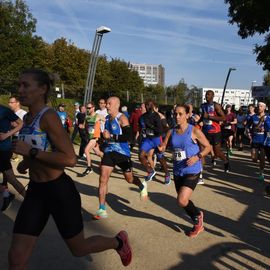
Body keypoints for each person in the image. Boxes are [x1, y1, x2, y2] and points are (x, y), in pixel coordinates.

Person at [9, 69, 132, 269]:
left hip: (59, 191)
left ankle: (118, 242)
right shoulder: (27, 120)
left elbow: (70, 158)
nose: (19, 90)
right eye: (19, 84)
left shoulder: (48, 116)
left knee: (79, 248)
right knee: (16, 257)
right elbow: (40, 151)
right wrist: (26, 162)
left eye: (25, 85)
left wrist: (31, 153)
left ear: (42, 89)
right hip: (36, 192)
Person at [160, 104, 211, 237]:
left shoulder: (194, 131)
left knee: (182, 200)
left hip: (192, 169)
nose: (177, 116)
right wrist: (162, 147)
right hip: (178, 170)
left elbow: (208, 147)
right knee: (182, 201)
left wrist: (197, 157)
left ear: (187, 115)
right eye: (175, 114)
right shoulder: (171, 131)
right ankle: (197, 215)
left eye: (180, 114)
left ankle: (197, 219)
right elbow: (164, 145)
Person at [94, 96, 148, 219]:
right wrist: (100, 143)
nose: (106, 106)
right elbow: (106, 137)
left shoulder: (122, 118)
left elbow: (128, 137)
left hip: (122, 154)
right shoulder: (107, 118)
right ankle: (102, 209)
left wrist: (111, 136)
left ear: (116, 105)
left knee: (129, 179)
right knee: (103, 179)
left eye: (109, 103)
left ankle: (141, 185)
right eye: (106, 103)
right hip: (109, 151)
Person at [0, 104, 25, 211]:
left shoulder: (4, 110)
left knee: (10, 178)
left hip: (2, 150)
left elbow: (21, 123)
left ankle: (31, 200)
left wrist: (7, 135)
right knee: (9, 177)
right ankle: (6, 194)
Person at [199, 90, 230, 172]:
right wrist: (197, 123)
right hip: (205, 132)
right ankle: (200, 171)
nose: (206, 96)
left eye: (208, 95)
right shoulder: (203, 105)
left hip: (215, 132)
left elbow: (223, 118)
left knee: (217, 153)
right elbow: (202, 117)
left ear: (213, 96)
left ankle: (226, 161)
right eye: (206, 95)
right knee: (202, 150)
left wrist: (209, 117)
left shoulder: (216, 106)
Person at [139, 100, 163, 181]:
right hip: (147, 139)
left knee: (159, 157)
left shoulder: (158, 116)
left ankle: (167, 173)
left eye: (142, 107)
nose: (141, 108)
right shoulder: (142, 117)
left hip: (157, 138)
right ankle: (151, 172)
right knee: (148, 156)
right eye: (142, 107)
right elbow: (142, 129)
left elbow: (163, 128)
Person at [246, 102, 267, 181]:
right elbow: (247, 126)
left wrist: (265, 130)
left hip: (264, 141)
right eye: (258, 106)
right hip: (255, 140)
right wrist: (249, 134)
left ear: (264, 108)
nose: (259, 107)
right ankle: (259, 157)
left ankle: (261, 172)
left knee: (262, 159)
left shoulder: (268, 117)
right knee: (254, 159)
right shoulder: (253, 117)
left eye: (261, 106)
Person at [82, 102, 104, 175]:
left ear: (93, 108)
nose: (88, 109)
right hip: (89, 138)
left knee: (86, 150)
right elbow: (85, 126)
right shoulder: (87, 117)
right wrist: (82, 126)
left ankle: (89, 168)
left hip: (95, 138)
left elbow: (106, 122)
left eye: (89, 108)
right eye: (87, 108)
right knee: (98, 153)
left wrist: (103, 127)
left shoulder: (98, 116)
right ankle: (109, 159)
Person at [8, 95, 27, 161]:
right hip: (12, 136)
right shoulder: (10, 113)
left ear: (18, 103)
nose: (9, 104)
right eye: (9, 102)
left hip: (20, 138)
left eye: (11, 102)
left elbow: (23, 125)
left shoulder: (23, 113)